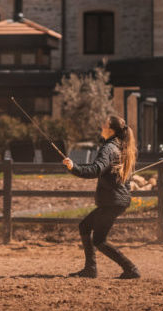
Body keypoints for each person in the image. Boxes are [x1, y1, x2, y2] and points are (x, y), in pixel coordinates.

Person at [62, 114, 140, 279]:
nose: (101, 126)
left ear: (110, 130)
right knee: (85, 226)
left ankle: (131, 269)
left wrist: (73, 167)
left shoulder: (109, 148)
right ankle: (90, 269)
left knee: (99, 240)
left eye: (104, 124)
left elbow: (95, 169)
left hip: (112, 201)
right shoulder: (119, 147)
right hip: (115, 201)